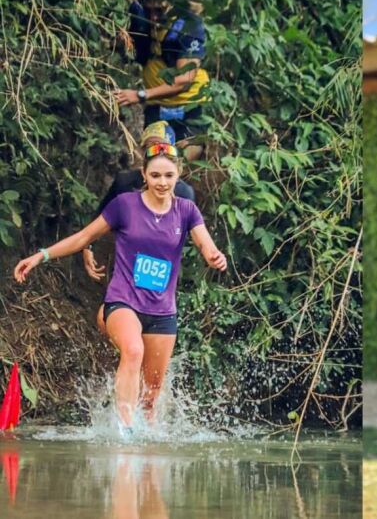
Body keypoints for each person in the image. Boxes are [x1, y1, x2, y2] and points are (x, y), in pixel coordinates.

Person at [14, 143, 227, 428]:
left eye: (168, 175)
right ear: (144, 174)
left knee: (151, 396)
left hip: (163, 312)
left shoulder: (186, 210)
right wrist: (41, 255)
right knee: (133, 350)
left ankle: (145, 456)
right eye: (155, 176)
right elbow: (82, 237)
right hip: (122, 301)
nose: (161, 182)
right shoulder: (125, 205)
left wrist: (214, 257)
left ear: (178, 175)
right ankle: (124, 431)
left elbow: (205, 244)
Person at [81, 121, 194, 282]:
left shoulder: (184, 193)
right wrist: (88, 246)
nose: (158, 154)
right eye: (151, 147)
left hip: (161, 266)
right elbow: (101, 216)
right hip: (127, 259)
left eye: (163, 148)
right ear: (143, 153)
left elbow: (191, 235)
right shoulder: (125, 182)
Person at [115, 0, 210, 162]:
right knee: (154, 159)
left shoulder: (188, 25)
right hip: (157, 106)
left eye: (159, 10)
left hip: (188, 106)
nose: (153, 17)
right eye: (149, 10)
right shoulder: (138, 13)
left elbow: (184, 81)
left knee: (181, 164)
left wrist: (140, 95)